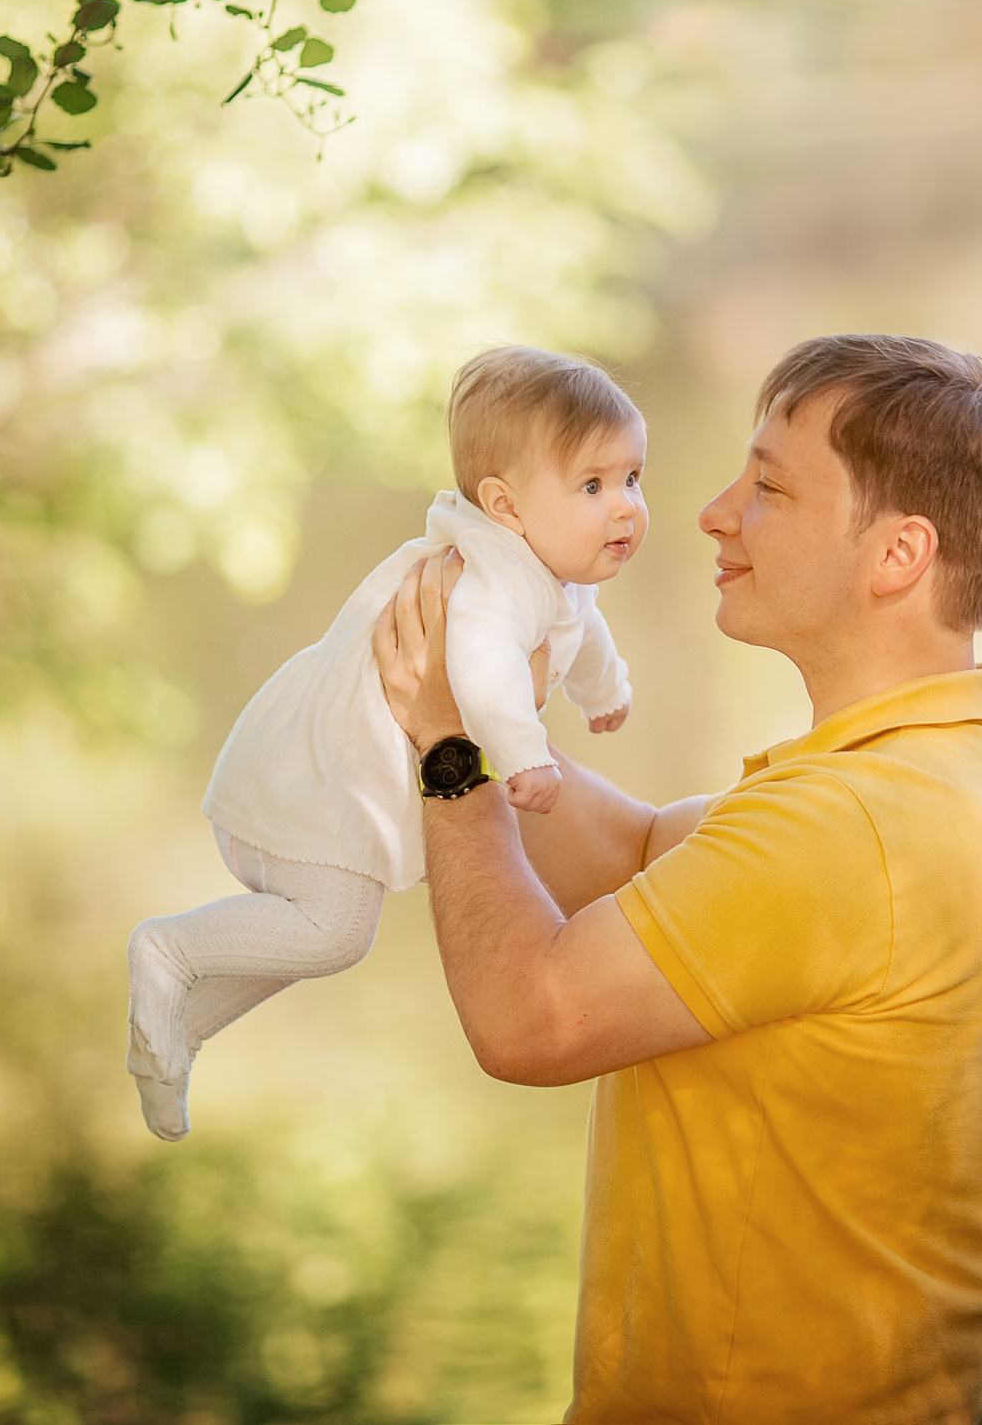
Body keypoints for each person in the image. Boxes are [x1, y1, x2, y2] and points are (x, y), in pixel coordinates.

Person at [373, 333, 982, 1424]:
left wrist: (446, 750)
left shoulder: (844, 826)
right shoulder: (955, 766)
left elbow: (527, 1020)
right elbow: (643, 854)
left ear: (898, 554)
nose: (711, 511)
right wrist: (480, 705)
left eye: (769, 488)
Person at [124, 346, 649, 1141]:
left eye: (633, 478)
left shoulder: (548, 570)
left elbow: (584, 630)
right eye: (593, 486)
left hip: (340, 772)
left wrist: (604, 691)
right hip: (321, 772)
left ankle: (180, 1030)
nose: (626, 508)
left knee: (325, 927)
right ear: (505, 505)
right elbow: (482, 669)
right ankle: (168, 950)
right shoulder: (491, 579)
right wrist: (527, 755)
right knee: (335, 931)